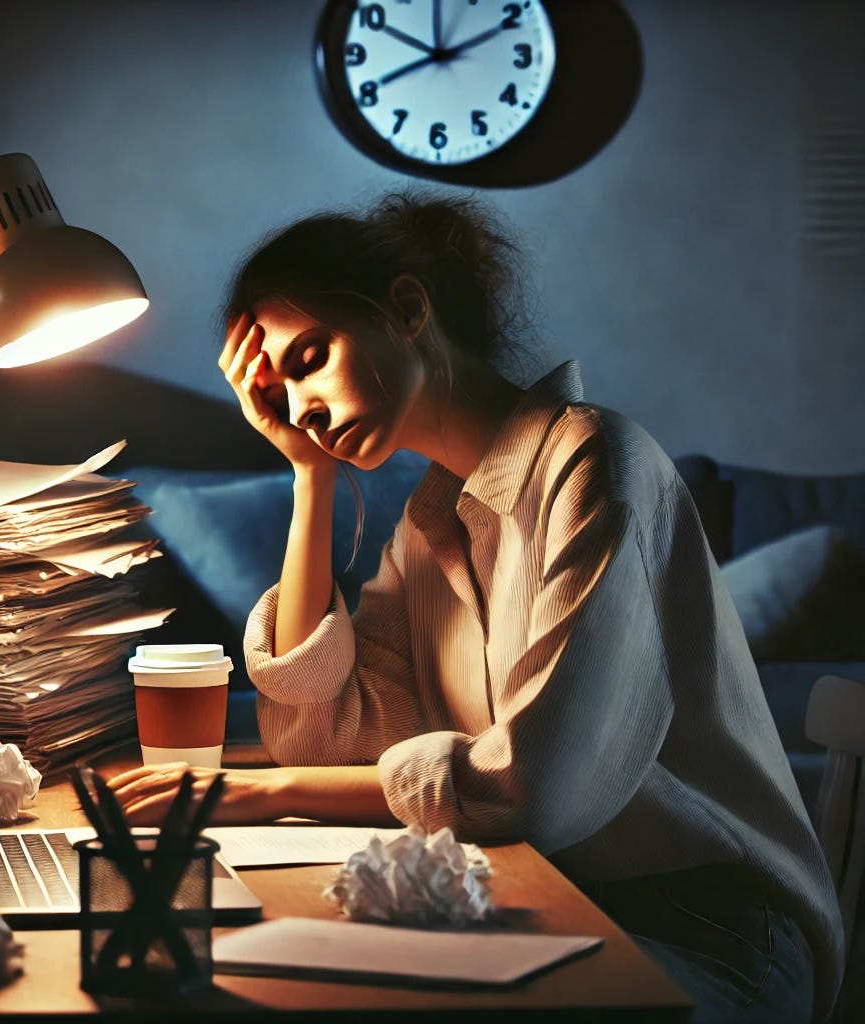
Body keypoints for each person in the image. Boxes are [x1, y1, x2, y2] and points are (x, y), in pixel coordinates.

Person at [109, 192, 843, 1023]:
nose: (303, 405)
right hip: (548, 903)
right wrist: (306, 474)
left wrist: (266, 797)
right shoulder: (433, 524)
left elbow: (537, 784)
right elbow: (321, 734)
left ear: (409, 309)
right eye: (284, 393)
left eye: (311, 356)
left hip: (713, 931)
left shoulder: (595, 461)